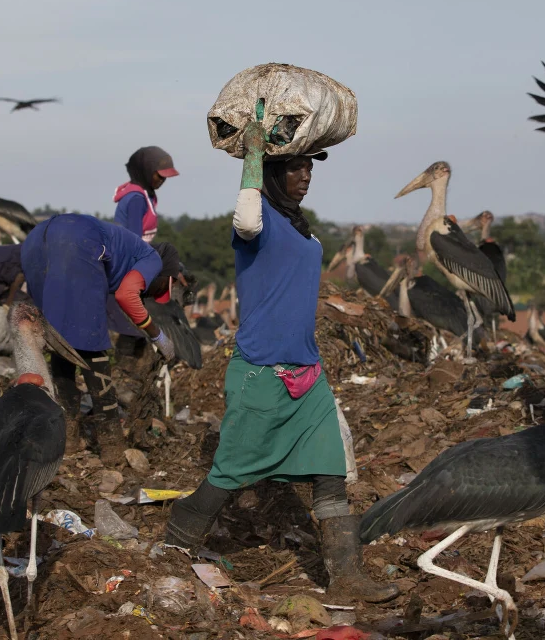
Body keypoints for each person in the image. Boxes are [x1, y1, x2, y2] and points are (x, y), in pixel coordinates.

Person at [163, 108, 396, 604]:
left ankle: (347, 577)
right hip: (262, 373)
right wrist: (251, 154)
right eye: (295, 167)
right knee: (229, 473)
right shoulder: (257, 222)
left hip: (307, 374)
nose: (305, 174)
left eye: (310, 167)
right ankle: (177, 537)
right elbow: (246, 214)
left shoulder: (299, 227)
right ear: (272, 173)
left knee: (330, 473)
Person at [19, 213, 176, 463]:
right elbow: (127, 295)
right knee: (92, 348)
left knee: (62, 343)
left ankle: (68, 438)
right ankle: (112, 444)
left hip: (35, 241)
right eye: (159, 291)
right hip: (80, 239)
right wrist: (158, 336)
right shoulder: (153, 259)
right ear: (166, 277)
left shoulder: (125, 249)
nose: (152, 295)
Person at [113, 146, 179, 242]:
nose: (162, 180)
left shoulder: (147, 195)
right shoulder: (136, 199)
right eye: (159, 176)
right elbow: (134, 241)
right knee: (168, 251)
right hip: (129, 252)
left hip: (139, 249)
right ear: (147, 171)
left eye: (164, 178)